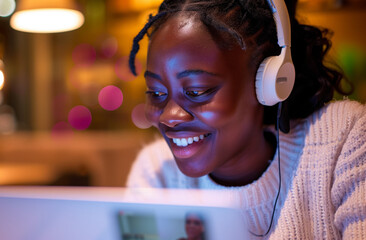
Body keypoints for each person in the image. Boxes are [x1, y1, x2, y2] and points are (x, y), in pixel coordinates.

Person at [126, 0, 366, 239]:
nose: (169, 117)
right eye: (156, 93)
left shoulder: (343, 141)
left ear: (268, 82)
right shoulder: (156, 172)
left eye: (197, 91)